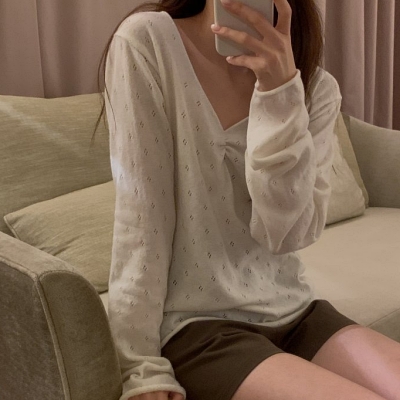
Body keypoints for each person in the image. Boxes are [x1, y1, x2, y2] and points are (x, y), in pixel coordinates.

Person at [97, 0, 400, 399]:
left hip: (295, 310)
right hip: (197, 326)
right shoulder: (147, 41)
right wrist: (140, 367)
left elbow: (285, 236)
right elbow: (141, 224)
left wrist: (279, 95)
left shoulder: (315, 87)